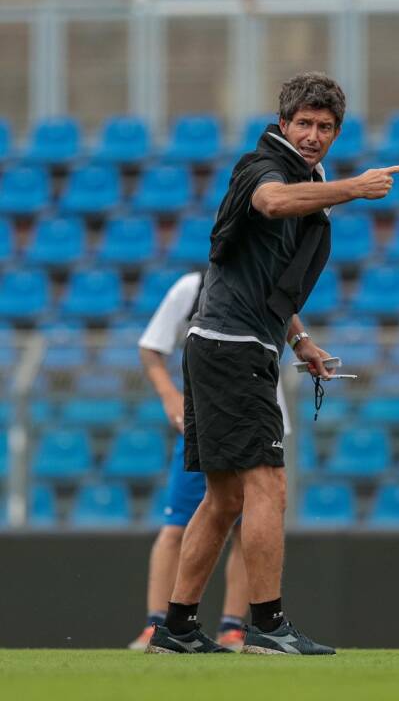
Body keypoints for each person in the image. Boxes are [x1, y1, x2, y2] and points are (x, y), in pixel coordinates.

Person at [146, 71, 399, 654]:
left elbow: (263, 278)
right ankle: (266, 625)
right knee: (268, 486)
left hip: (230, 345)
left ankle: (178, 628)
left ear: (337, 131)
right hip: (232, 349)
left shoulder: (304, 177)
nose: (314, 135)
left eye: (326, 126)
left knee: (224, 498)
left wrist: (301, 341)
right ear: (283, 123)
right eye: (305, 124)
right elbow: (268, 202)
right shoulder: (263, 168)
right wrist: (353, 187)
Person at [129, 269, 292, 651]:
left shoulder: (270, 281)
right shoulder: (194, 285)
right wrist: (171, 397)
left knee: (244, 522)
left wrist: (301, 339)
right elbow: (151, 345)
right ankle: (159, 624)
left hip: (256, 408)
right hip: (210, 414)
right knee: (182, 522)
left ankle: (231, 626)